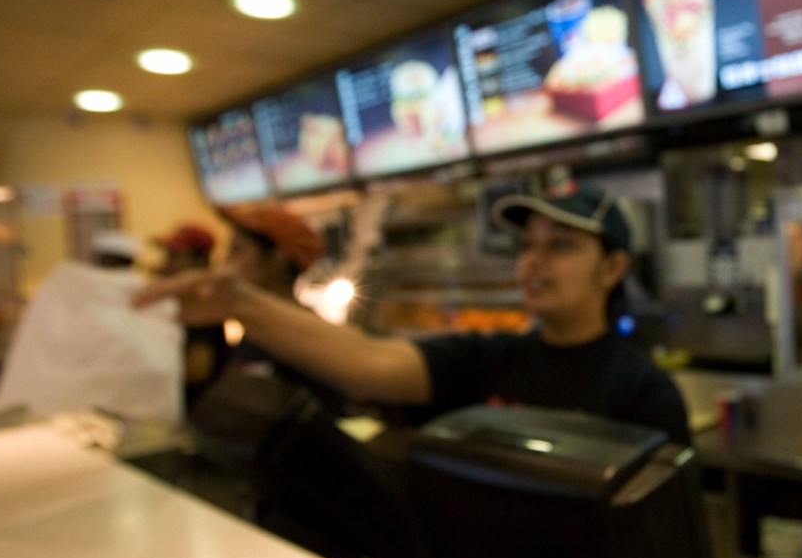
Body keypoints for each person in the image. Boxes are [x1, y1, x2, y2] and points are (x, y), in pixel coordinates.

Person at [134, 185, 690, 445]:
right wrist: (240, 303)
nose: (534, 263)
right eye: (528, 245)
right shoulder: (486, 358)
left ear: (613, 268)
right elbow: (367, 361)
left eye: (561, 246)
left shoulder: (643, 392)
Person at [211, 202, 348, 416]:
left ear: (278, 259)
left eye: (237, 250)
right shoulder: (259, 328)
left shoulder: (306, 337)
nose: (226, 262)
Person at [152, 221, 227, 411]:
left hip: (197, 414)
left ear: (199, 262)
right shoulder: (181, 302)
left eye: (174, 256)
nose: (166, 263)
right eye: (167, 255)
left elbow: (196, 371)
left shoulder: (203, 304)